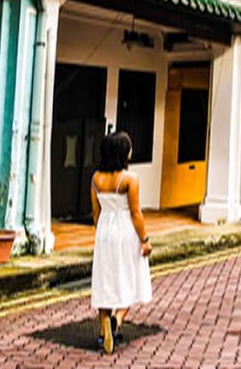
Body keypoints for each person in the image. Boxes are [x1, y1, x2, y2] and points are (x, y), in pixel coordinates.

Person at [91, 131, 153, 354]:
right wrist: (144, 240)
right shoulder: (129, 179)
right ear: (123, 153)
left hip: (105, 231)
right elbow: (136, 213)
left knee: (104, 279)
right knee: (131, 277)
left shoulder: (96, 178)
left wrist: (102, 232)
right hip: (125, 230)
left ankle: (102, 331)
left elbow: (95, 213)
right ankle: (116, 320)